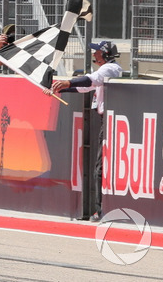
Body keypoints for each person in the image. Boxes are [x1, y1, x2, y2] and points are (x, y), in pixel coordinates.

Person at [43, 40, 123, 221]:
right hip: (108, 121)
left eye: (97, 52)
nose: (94, 54)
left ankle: (101, 210)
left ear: (104, 54)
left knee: (101, 168)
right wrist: (59, 88)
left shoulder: (111, 69)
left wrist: (65, 83)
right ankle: (101, 209)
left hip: (111, 122)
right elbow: (85, 86)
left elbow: (90, 81)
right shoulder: (105, 70)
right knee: (100, 167)